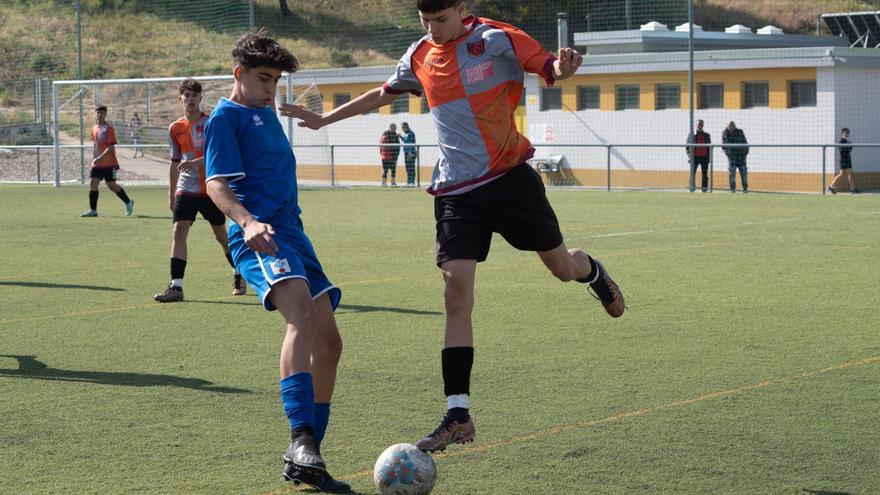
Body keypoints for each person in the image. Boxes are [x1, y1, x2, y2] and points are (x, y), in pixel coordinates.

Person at [281, 0, 624, 454]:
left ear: (462, 8)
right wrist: (325, 119)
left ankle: (592, 272)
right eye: (425, 21)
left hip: (510, 180)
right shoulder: (420, 53)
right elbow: (386, 91)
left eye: (440, 19)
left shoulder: (498, 39)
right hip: (456, 192)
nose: (433, 29)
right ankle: (458, 414)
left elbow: (550, 67)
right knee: (455, 292)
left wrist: (563, 65)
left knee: (562, 267)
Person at [203, 29, 349, 493]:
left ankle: (310, 457)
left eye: (276, 80)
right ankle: (300, 439)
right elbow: (216, 185)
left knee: (330, 344)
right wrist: (246, 223)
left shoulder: (264, 113)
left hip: (293, 235)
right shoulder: (226, 118)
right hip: (260, 236)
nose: (271, 89)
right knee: (301, 317)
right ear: (238, 74)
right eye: (263, 79)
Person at [153, 78, 246, 303]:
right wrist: (171, 192)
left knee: (221, 236)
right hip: (186, 189)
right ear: (181, 99)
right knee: (178, 231)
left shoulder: (212, 122)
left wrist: (197, 162)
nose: (191, 99)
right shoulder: (175, 128)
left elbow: (221, 153)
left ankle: (239, 271)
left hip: (212, 189)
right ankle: (176, 287)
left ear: (200, 98)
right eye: (187, 95)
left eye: (194, 95)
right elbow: (175, 162)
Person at [80, 105, 134, 217]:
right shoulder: (94, 128)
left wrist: (99, 158)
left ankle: (128, 202)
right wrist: (94, 159)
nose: (99, 115)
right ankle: (93, 210)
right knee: (93, 183)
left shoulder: (109, 128)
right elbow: (95, 145)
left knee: (111, 185)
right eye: (97, 113)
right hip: (98, 164)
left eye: (101, 113)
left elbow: (111, 148)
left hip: (109, 163)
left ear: (105, 114)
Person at [828, 127, 859, 194]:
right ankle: (852, 189)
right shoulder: (841, 141)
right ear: (843, 133)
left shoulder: (847, 141)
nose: (848, 134)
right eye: (846, 133)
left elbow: (849, 150)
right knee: (848, 174)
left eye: (848, 133)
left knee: (843, 174)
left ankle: (831, 186)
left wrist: (850, 145)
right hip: (844, 160)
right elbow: (842, 150)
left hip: (847, 159)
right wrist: (848, 144)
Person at [722, 121, 749, 193]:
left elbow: (745, 142)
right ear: (727, 127)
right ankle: (732, 189)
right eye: (730, 126)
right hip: (732, 157)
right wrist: (728, 154)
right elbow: (724, 145)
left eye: (732, 125)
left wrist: (745, 152)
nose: (731, 127)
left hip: (741, 156)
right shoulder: (725, 133)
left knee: (744, 172)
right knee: (732, 173)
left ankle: (745, 188)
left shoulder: (740, 132)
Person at [686, 119, 711, 193]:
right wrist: (690, 156)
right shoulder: (692, 135)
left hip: (704, 157)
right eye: (698, 124)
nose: (699, 125)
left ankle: (704, 189)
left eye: (701, 124)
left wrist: (709, 157)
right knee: (692, 174)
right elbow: (687, 147)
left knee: (704, 174)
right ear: (696, 125)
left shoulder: (707, 135)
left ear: (703, 125)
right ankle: (692, 188)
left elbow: (709, 147)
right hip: (695, 157)